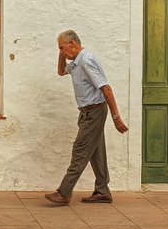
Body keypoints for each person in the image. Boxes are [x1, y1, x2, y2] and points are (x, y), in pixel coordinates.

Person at [45, 30, 129, 205]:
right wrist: (61, 54)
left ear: (72, 44)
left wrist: (116, 117)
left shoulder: (86, 60)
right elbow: (61, 72)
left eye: (62, 48)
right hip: (87, 112)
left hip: (95, 112)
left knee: (80, 150)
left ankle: (64, 193)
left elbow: (106, 88)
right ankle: (103, 191)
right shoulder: (76, 62)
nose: (61, 51)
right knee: (96, 153)